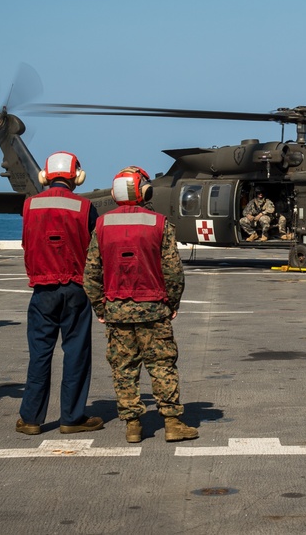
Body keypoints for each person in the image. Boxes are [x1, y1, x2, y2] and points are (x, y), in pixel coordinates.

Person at [83, 167, 198, 443]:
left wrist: (101, 308)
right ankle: (171, 422)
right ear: (145, 192)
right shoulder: (159, 224)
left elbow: (91, 275)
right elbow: (173, 271)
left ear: (114, 194)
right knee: (162, 365)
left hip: (116, 311)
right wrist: (172, 303)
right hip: (154, 310)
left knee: (123, 369)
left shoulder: (102, 225)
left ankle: (133, 425)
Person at [17, 151, 104, 436]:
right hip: (75, 289)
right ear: (76, 176)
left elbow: (26, 242)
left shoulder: (29, 205)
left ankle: (31, 418)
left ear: (45, 175)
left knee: (39, 354)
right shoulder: (84, 207)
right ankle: (72, 417)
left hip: (42, 291)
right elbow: (95, 249)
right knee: (76, 353)